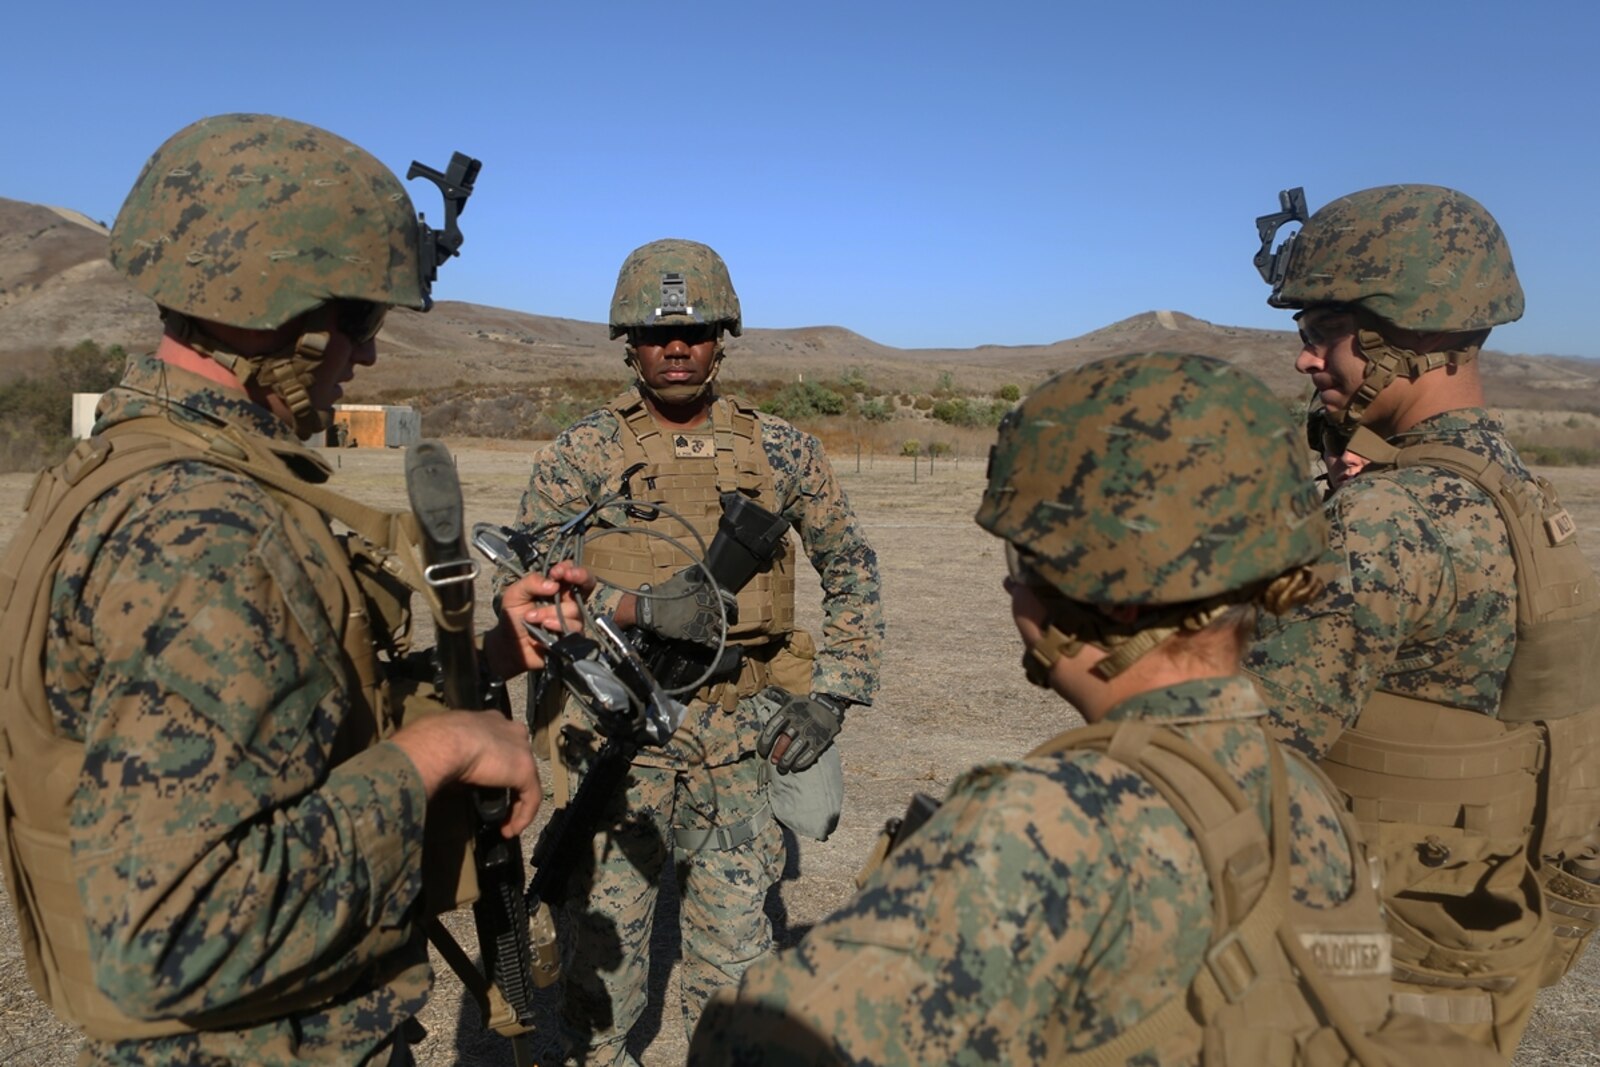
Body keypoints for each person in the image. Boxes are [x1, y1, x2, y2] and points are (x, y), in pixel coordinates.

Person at [689, 351, 1505, 1066]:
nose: (1013, 584)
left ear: (1105, 598)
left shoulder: (1041, 827)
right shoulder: (1310, 798)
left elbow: (755, 1040)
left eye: (1027, 557)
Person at [0, 113, 586, 1066]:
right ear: (278, 307)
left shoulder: (130, 463)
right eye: (358, 319)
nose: (367, 355)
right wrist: (439, 748)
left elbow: (278, 727)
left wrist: (481, 661)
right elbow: (176, 934)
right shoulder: (211, 533)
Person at [1246, 184, 1600, 1054]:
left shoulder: (1386, 519)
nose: (1305, 359)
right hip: (1479, 941)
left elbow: (1248, 759)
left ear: (1412, 337)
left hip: (1364, 964)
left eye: (1322, 333)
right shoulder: (1517, 490)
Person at [510, 238, 883, 1064]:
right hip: (621, 738)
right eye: (653, 333)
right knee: (598, 989)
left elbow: (851, 565)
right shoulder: (584, 453)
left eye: (697, 330)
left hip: (740, 743)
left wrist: (832, 695)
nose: (675, 348)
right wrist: (632, 604)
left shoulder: (782, 451)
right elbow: (533, 577)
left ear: (724, 337)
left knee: (735, 983)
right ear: (628, 344)